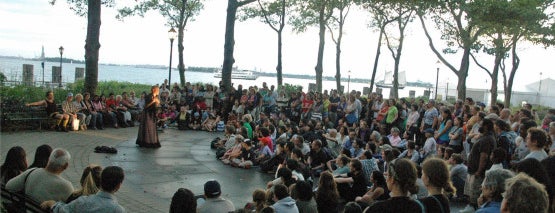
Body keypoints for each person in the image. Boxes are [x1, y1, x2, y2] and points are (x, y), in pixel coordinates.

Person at [41, 166, 126, 213]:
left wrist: (52, 204)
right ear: (118, 186)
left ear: (101, 181)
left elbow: (63, 210)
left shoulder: (83, 201)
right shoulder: (118, 210)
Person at [6, 148, 74, 203]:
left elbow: (9, 186)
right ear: (66, 166)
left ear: (49, 159)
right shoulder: (66, 186)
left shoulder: (32, 171)